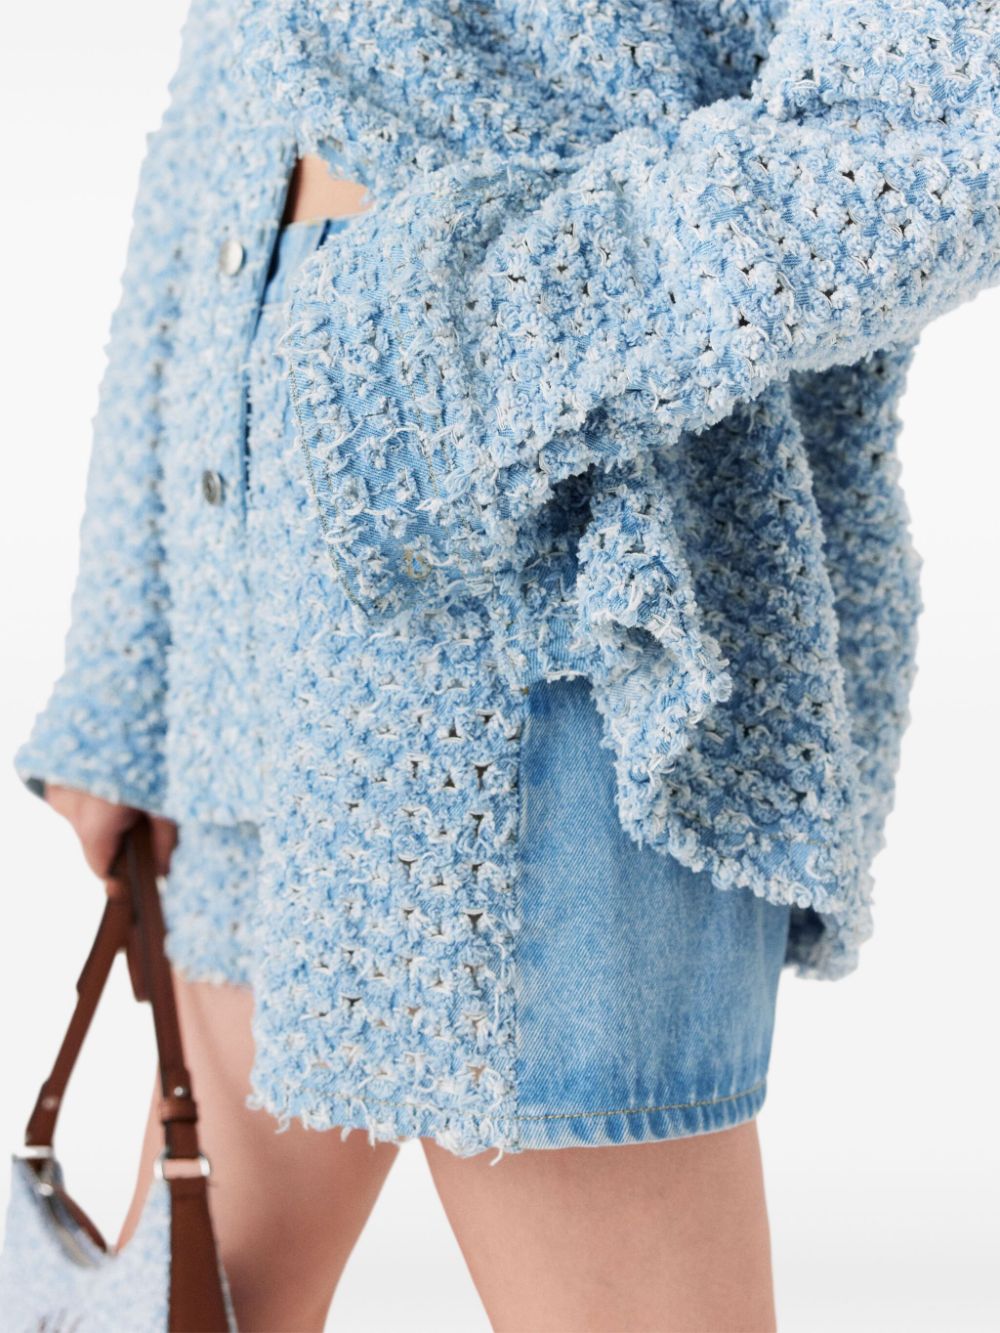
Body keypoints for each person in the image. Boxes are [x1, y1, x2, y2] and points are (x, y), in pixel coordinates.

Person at [13, 2, 1000, 1329]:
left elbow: (940, 121)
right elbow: (233, 80)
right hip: (246, 583)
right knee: (197, 1299)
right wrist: (127, 670)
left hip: (565, 568)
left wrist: (462, 344)